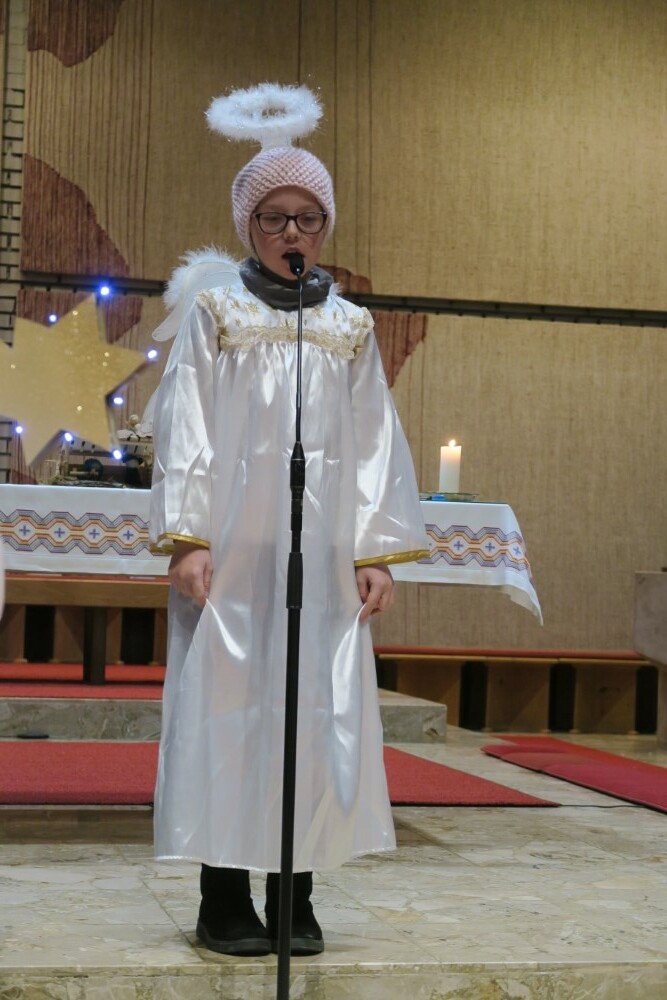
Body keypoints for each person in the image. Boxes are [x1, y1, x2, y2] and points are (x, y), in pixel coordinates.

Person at [149, 83, 429, 958]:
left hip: (321, 560)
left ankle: (294, 891)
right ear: (248, 225)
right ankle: (222, 895)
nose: (291, 232)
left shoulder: (347, 327)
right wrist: (189, 537)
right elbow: (187, 429)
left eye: (307, 217)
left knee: (313, 717)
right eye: (273, 217)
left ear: (325, 226)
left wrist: (373, 550)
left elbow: (374, 442)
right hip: (233, 557)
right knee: (229, 716)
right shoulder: (217, 314)